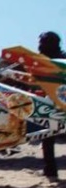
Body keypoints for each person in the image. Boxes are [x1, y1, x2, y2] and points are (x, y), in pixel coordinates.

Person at [37, 31, 65, 178]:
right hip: (54, 104)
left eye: (42, 43)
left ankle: (50, 169)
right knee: (47, 137)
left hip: (59, 105)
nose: (39, 47)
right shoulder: (45, 62)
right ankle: (50, 169)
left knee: (48, 137)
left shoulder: (58, 61)